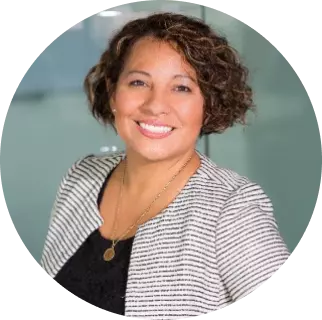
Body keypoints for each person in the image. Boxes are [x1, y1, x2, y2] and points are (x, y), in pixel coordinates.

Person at [41, 12, 290, 319]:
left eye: (181, 87)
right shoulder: (81, 178)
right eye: (138, 82)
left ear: (208, 104)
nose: (156, 104)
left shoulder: (232, 209)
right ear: (114, 92)